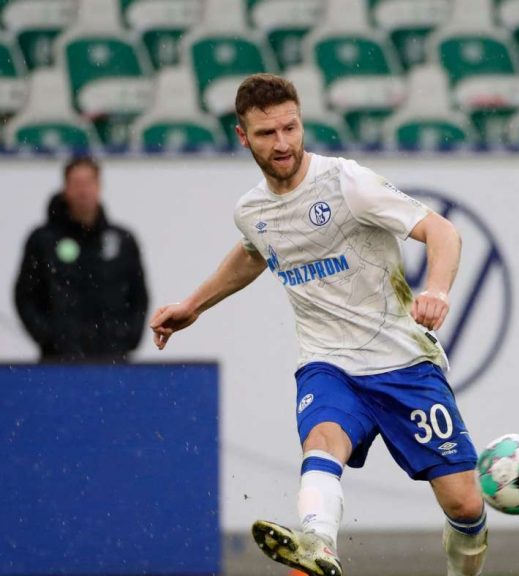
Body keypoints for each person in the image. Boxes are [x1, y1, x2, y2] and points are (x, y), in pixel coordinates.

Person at [148, 73, 487, 576]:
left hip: (403, 363)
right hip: (328, 363)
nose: (282, 143)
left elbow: (441, 231)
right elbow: (254, 252)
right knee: (323, 440)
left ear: (302, 122)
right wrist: (194, 305)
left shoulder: (347, 182)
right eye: (266, 133)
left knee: (464, 504)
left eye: (290, 128)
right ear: (243, 136)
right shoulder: (251, 210)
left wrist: (436, 290)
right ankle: (318, 543)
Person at [14, 156, 149, 362]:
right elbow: (25, 297)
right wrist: (49, 337)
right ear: (65, 189)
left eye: (88, 183)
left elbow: (139, 296)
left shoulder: (122, 241)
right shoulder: (43, 241)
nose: (83, 191)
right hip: (59, 360)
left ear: (99, 187)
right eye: (76, 184)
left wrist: (128, 337)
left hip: (113, 358)